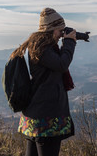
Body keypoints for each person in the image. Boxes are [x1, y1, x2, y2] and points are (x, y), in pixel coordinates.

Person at [12, 8, 77, 156]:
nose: (61, 35)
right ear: (51, 30)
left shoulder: (41, 46)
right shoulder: (42, 48)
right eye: (60, 31)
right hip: (46, 118)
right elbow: (62, 64)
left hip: (38, 114)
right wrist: (69, 43)